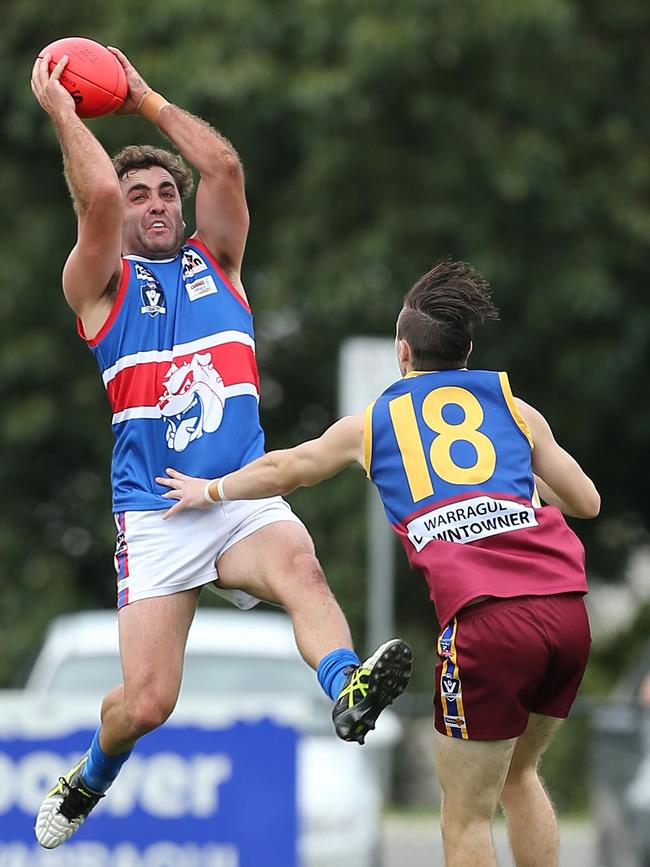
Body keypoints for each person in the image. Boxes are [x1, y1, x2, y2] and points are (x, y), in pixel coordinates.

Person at [29, 47, 412, 849]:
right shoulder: (97, 287)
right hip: (157, 511)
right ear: (121, 215)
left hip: (238, 496)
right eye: (143, 195)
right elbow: (95, 191)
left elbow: (226, 167)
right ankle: (88, 777)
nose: (158, 202)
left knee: (304, 567)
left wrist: (144, 100)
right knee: (147, 704)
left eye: (168, 191)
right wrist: (66, 111)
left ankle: (347, 689)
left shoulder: (220, 264)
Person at [159, 259, 600, 867]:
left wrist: (208, 491)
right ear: (466, 351)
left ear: (402, 353)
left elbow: (286, 468)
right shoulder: (515, 409)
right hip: (566, 611)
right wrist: (516, 483)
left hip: (488, 619)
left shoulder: (373, 424)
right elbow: (586, 502)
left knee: (464, 817)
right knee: (520, 776)